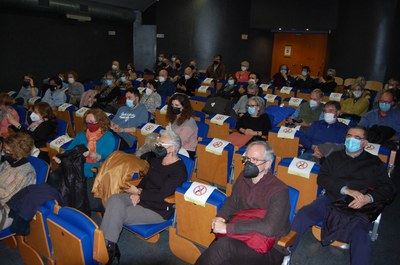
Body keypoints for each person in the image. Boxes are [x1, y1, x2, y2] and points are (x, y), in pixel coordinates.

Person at [289, 126, 396, 265]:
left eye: (357, 138)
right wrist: (345, 190)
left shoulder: (374, 163)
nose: (352, 140)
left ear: (365, 143)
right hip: (331, 199)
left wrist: (368, 198)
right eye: (349, 136)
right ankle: (286, 254)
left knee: (361, 236)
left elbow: (389, 188)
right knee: (303, 215)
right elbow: (322, 178)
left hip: (359, 206)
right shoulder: (334, 157)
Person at [195, 141, 290, 265]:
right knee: (218, 247)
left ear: (267, 164)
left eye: (255, 160)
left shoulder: (279, 190)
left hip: (269, 247)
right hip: (242, 233)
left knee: (223, 247)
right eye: (247, 159)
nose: (249, 163)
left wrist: (228, 228)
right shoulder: (244, 176)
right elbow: (233, 201)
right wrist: (221, 217)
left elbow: (269, 228)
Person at [100, 128, 187, 263]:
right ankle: (108, 245)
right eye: (158, 143)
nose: (157, 146)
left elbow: (162, 195)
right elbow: (146, 180)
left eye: (161, 144)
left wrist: (139, 193)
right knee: (114, 200)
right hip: (142, 198)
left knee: (116, 212)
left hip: (158, 209)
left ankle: (106, 248)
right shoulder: (157, 160)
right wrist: (139, 190)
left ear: (172, 148)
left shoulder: (179, 171)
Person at [0, 132, 36, 230]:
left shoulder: (26, 172)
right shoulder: (9, 163)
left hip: (7, 211)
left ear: (17, 152)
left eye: (7, 150)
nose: (4, 152)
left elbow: (6, 196)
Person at [166, 93, 198, 159]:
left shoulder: (189, 122)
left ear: (184, 107)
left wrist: (165, 145)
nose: (174, 107)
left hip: (186, 150)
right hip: (172, 145)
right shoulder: (175, 116)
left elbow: (180, 142)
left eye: (177, 105)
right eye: (172, 105)